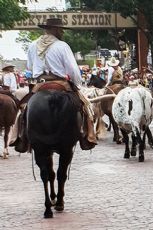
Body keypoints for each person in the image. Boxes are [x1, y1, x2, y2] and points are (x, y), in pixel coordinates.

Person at [11, 18, 96, 151]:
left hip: (40, 84)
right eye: (61, 29)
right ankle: (87, 137)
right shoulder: (62, 45)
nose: (62, 32)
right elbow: (73, 70)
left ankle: (20, 138)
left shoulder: (33, 45)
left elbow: (29, 67)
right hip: (60, 82)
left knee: (23, 109)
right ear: (55, 30)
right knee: (85, 106)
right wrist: (76, 83)